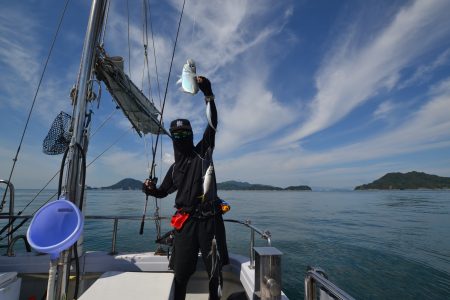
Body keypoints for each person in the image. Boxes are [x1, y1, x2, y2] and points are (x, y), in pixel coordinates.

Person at [143, 76, 229, 300]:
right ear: (173, 138)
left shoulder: (203, 152)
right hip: (185, 224)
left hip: (209, 220)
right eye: (177, 135)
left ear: (191, 136)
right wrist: (149, 190)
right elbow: (162, 192)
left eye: (185, 134)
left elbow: (212, 125)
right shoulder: (173, 169)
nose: (181, 137)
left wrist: (207, 94)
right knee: (180, 274)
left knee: (214, 273)